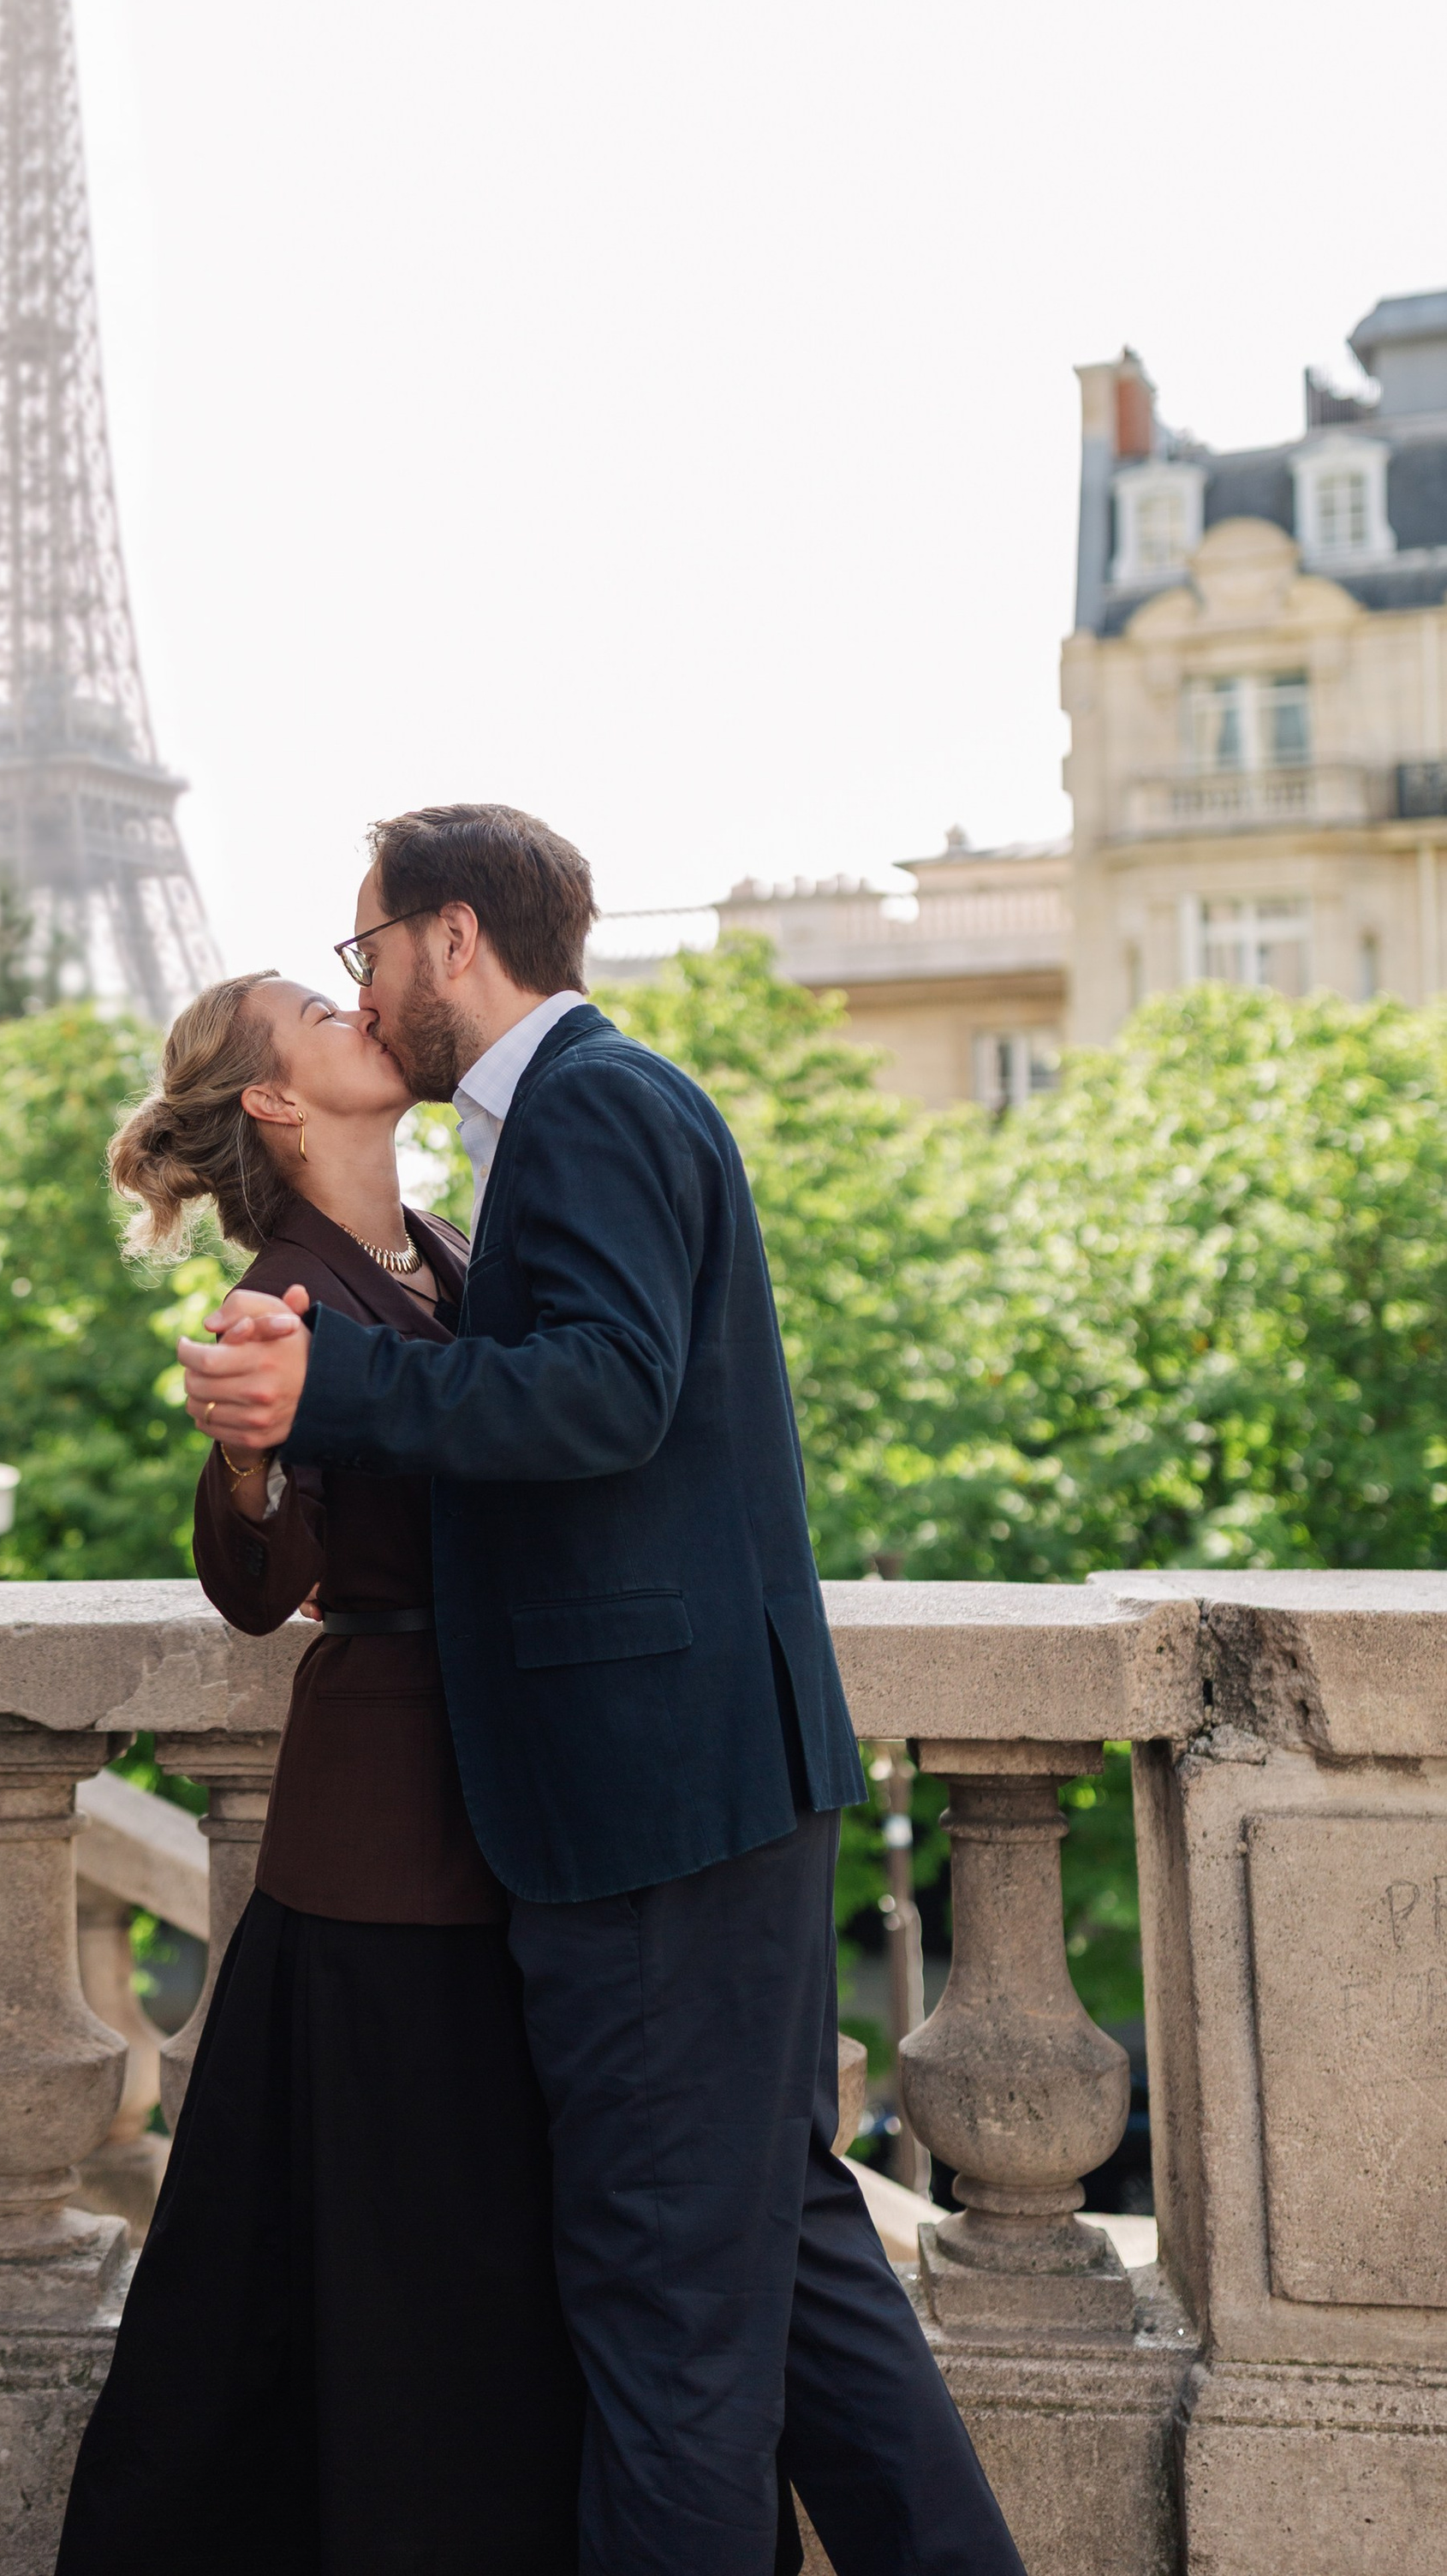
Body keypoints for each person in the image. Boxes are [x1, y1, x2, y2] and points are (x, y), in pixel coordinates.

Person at [180, 805, 1030, 2576]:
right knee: (779, 2258)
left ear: (452, 939)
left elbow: (602, 1396)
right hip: (683, 1793)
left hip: (646, 1811)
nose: (365, 988)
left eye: (366, 952)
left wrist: (326, 1393)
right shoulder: (578, 1115)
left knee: (664, 2329)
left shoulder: (581, 1110)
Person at [55, 967, 583, 2576]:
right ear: (277, 1100)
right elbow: (252, 1575)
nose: (362, 1009)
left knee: (457, 2274)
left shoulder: (446, 1253)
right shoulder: (277, 1295)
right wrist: (243, 1450)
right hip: (390, 1859)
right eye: (317, 1004)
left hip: (492, 1821)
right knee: (406, 2289)